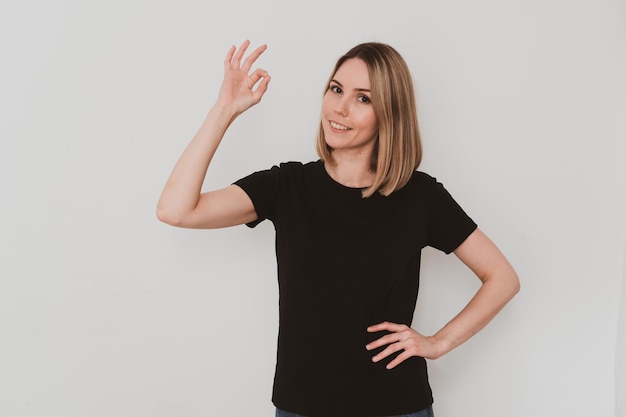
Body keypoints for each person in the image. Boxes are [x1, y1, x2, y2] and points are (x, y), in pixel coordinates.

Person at [157, 40, 520, 417]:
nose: (340, 108)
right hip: (303, 406)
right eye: (336, 89)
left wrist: (439, 343)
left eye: (363, 98)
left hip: (397, 406)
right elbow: (176, 210)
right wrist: (224, 111)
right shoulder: (286, 187)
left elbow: (502, 277)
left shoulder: (420, 196)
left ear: (390, 113)